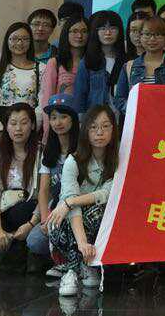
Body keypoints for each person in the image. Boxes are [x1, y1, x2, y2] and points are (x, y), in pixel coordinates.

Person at [51, 105, 119, 296]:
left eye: (105, 126)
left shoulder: (117, 159)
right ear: (85, 131)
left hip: (99, 220)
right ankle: (73, 270)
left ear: (113, 130)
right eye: (93, 127)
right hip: (68, 224)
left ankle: (85, 265)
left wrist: (71, 202)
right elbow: (71, 208)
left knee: (100, 211)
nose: (99, 132)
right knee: (62, 219)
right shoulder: (73, 161)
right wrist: (82, 243)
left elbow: (108, 193)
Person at [0, 103, 41, 274]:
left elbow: (45, 194)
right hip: (5, 208)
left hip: (32, 210)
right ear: (6, 126)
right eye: (13, 123)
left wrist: (31, 224)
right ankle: (14, 252)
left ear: (33, 125)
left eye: (24, 123)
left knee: (19, 212)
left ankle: (19, 253)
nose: (18, 128)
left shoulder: (41, 154)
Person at [28, 102, 78, 282]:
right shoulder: (48, 152)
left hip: (76, 207)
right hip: (56, 208)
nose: (58, 122)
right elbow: (43, 190)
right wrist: (44, 219)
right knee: (34, 240)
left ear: (73, 120)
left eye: (63, 117)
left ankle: (73, 264)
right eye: (54, 118)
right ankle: (60, 259)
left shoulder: (82, 148)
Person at [0, 22, 41, 136]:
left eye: (25, 39)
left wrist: (32, 128)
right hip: (2, 125)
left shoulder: (42, 69)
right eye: (14, 39)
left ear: (31, 42)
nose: (19, 43)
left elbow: (42, 104)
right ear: (7, 41)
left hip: (30, 126)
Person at [72, 10, 125, 111]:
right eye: (103, 28)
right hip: (95, 117)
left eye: (113, 28)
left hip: (123, 117)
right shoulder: (87, 62)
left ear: (120, 31)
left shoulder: (126, 62)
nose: (108, 33)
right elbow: (79, 97)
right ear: (95, 32)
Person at [39, 15, 88, 113]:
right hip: (60, 118)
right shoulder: (55, 63)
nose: (79, 36)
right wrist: (48, 122)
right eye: (74, 31)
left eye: (84, 31)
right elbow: (47, 99)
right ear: (66, 33)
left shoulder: (93, 63)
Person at [124, 16, 165, 95]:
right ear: (140, 36)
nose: (152, 39)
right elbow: (120, 99)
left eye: (157, 34)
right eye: (147, 34)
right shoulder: (129, 66)